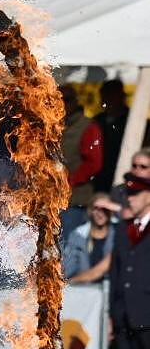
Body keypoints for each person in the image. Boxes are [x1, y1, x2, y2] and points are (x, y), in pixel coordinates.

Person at [109, 171, 150, 349]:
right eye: (128, 194)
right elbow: (117, 272)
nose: (129, 199)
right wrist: (114, 313)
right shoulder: (124, 230)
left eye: (135, 194)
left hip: (147, 313)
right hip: (126, 316)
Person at [60, 84, 102, 236]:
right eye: (57, 99)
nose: (62, 103)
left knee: (68, 245)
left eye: (67, 99)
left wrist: (69, 181)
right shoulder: (53, 126)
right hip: (51, 199)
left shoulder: (88, 127)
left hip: (75, 202)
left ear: (76, 102)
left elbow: (94, 163)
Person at [62, 193, 115, 281]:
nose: (100, 214)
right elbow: (66, 270)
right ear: (90, 211)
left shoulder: (118, 234)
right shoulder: (78, 235)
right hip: (84, 286)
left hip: (111, 286)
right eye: (96, 209)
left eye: (105, 209)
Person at [93, 79, 129, 192]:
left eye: (112, 95)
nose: (108, 100)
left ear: (121, 97)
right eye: (105, 95)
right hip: (98, 178)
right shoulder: (97, 121)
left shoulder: (133, 121)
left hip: (123, 175)